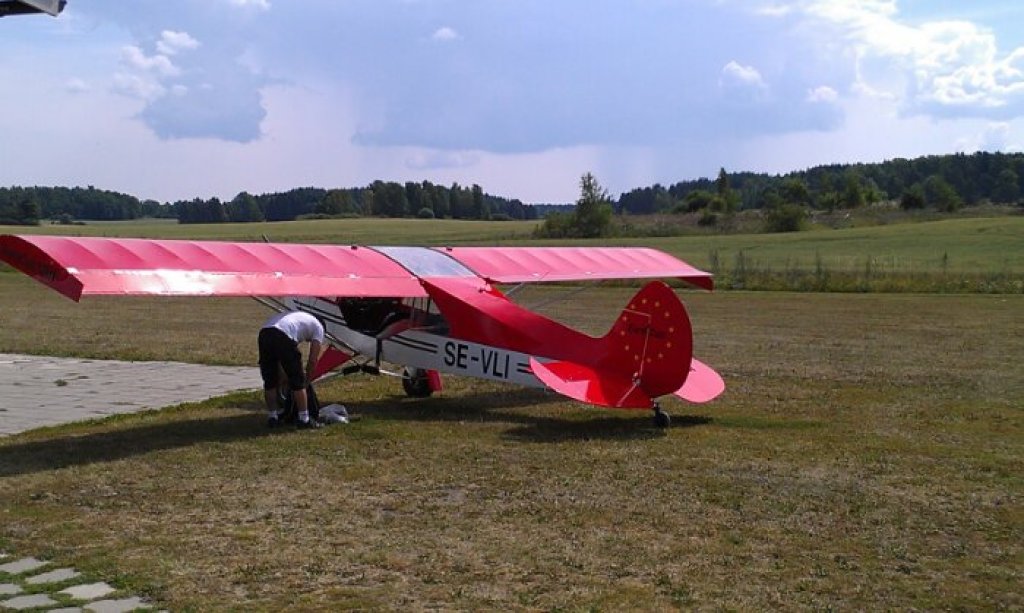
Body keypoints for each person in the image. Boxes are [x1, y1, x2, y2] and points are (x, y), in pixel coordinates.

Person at [258, 310, 324, 429]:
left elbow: (281, 362)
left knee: (270, 381)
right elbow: (313, 360)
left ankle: (272, 417)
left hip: (264, 333)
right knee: (297, 381)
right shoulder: (319, 327)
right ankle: (304, 419)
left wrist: (283, 376)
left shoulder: (299, 318)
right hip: (283, 335)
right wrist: (307, 381)